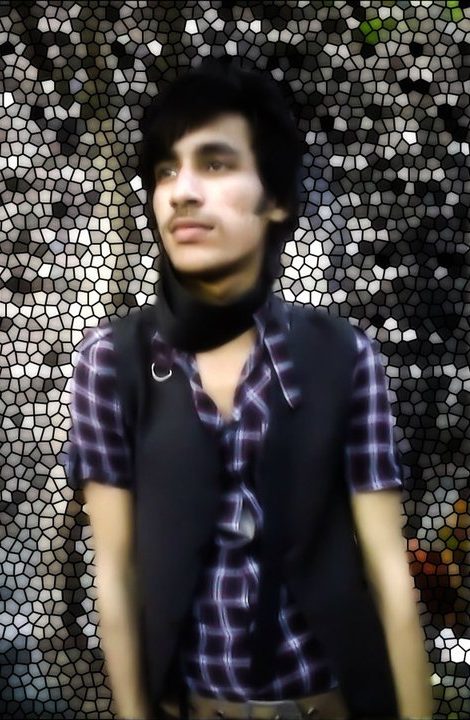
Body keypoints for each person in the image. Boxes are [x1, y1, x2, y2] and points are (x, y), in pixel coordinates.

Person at [66, 59, 433, 720]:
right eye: (165, 171)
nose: (181, 192)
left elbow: (389, 573)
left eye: (214, 163)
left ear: (278, 200)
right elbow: (115, 577)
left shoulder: (345, 357)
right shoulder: (111, 363)